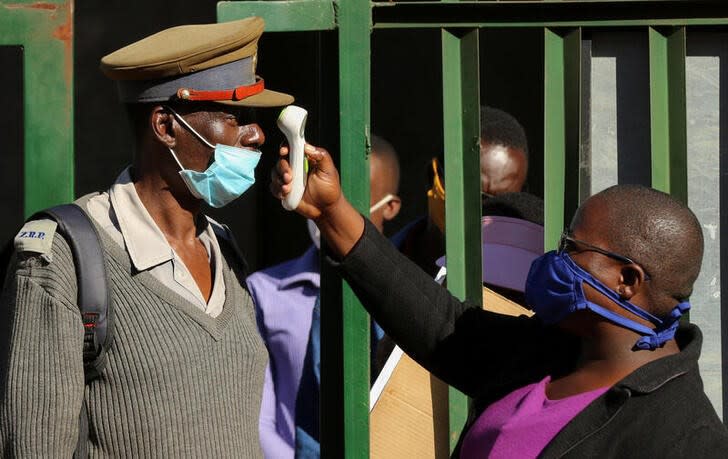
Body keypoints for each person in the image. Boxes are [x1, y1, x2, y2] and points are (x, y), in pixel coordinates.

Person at [271, 144, 728, 457]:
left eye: (572, 247)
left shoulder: (685, 437)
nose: (556, 259)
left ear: (628, 279)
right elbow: (443, 325)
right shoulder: (551, 351)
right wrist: (332, 212)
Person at [0, 17, 292, 457]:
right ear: (165, 126)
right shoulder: (61, 259)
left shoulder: (222, 246)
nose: (256, 134)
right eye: (236, 116)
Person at [247, 135, 401, 459]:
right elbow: (259, 413)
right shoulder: (263, 291)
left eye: (348, 201)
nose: (331, 211)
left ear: (390, 206)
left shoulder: (405, 294)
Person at [400, 105, 531, 277]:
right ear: (432, 177)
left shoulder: (527, 285)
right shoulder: (385, 263)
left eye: (505, 203)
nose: (487, 214)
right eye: (476, 197)